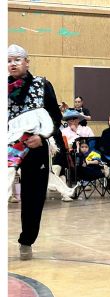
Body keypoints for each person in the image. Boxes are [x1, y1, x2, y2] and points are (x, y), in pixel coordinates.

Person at [9, 44, 69, 257]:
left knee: (33, 196)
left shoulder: (42, 84)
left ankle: (27, 240)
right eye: (8, 60)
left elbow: (55, 117)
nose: (12, 64)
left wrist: (42, 137)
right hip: (8, 147)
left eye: (17, 59)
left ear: (27, 62)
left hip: (35, 146)